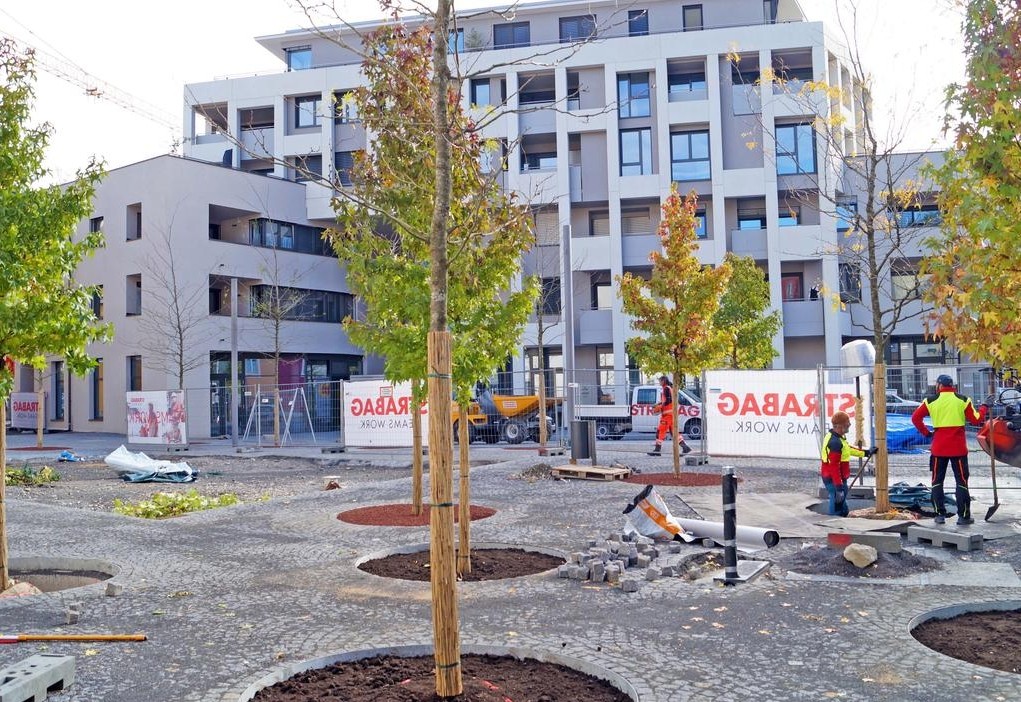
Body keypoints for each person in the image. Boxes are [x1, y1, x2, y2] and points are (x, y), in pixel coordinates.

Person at [912, 374, 988, 525]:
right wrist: (985, 408)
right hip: (958, 449)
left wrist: (927, 433)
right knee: (961, 482)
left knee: (936, 482)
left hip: (938, 448)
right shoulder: (963, 400)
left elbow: (915, 418)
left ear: (939, 385)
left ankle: (939, 515)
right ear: (953, 385)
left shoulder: (930, 401)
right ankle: (964, 517)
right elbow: (976, 419)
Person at [820, 410, 875, 516]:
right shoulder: (835, 442)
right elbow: (834, 467)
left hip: (836, 478)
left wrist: (866, 453)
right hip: (834, 478)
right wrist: (838, 486)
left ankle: (843, 515)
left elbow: (847, 449)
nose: (849, 425)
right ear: (840, 426)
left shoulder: (836, 437)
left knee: (840, 500)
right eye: (847, 423)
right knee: (836, 499)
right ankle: (834, 521)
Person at [648, 375, 691, 456]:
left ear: (663, 381)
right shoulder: (669, 388)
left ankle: (657, 450)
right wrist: (659, 404)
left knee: (660, 431)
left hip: (667, 415)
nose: (659, 383)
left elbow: (668, 401)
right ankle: (685, 448)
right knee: (674, 433)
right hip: (671, 414)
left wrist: (659, 406)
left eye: (660, 381)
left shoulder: (666, 388)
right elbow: (668, 400)